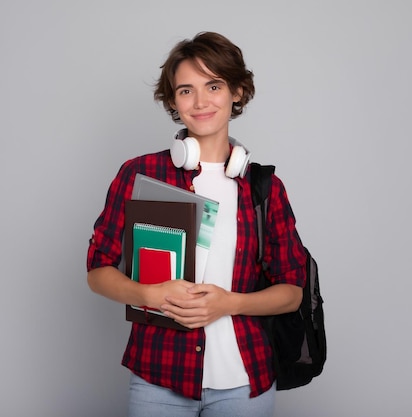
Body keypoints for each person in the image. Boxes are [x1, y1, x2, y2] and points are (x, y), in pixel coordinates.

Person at [86, 31, 307, 417]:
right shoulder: (141, 174)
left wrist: (228, 304)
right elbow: (98, 271)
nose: (201, 101)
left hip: (245, 382)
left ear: (237, 91)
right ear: (173, 100)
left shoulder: (264, 188)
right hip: (159, 377)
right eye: (186, 90)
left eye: (214, 85)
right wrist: (150, 296)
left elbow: (292, 292)